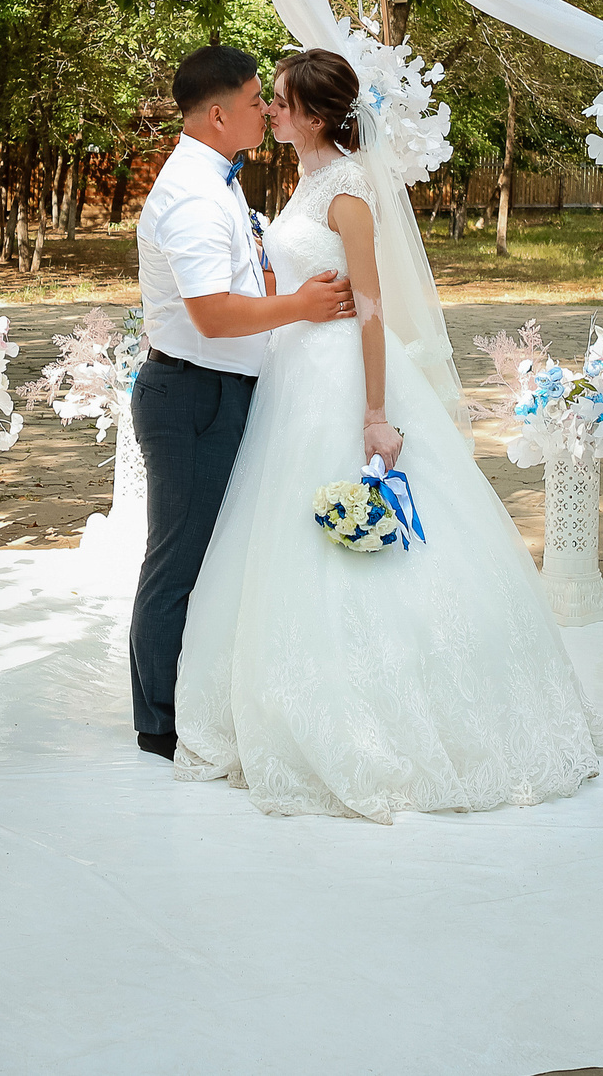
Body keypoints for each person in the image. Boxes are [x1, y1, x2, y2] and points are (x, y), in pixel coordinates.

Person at [173, 48, 603, 820]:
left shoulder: (347, 190)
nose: (268, 110)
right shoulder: (305, 181)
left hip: (340, 377)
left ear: (311, 114)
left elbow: (371, 309)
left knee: (363, 545)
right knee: (285, 536)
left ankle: (394, 717)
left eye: (277, 101)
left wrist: (376, 413)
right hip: (294, 375)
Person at [129, 46, 356, 762]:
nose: (267, 108)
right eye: (258, 99)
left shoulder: (216, 178)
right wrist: (302, 304)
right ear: (219, 113)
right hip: (192, 391)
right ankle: (160, 723)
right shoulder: (194, 194)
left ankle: (193, 697)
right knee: (180, 560)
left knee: (214, 556)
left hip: (220, 387)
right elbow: (213, 316)